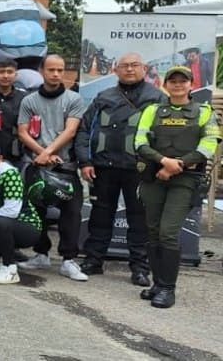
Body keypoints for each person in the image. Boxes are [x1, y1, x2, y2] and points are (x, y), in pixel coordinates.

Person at [133, 66, 221, 308]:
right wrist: (163, 162)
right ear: (165, 85)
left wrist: (177, 165)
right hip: (155, 176)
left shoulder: (203, 112)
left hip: (185, 179)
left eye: (183, 81)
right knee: (152, 232)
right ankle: (157, 284)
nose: (178, 85)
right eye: (173, 81)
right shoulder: (152, 110)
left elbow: (208, 145)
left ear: (190, 84)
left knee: (168, 232)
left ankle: (168, 289)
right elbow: (139, 140)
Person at [75, 52, 163, 286]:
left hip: (140, 169)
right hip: (103, 168)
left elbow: (164, 137)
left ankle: (140, 267)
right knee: (100, 215)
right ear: (116, 70)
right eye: (125, 66)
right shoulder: (103, 96)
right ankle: (93, 260)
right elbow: (84, 130)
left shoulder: (157, 98)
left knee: (139, 219)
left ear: (144, 68)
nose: (130, 69)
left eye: (135, 65)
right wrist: (85, 161)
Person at [16, 54, 88, 281]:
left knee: (72, 212)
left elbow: (70, 131)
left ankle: (68, 259)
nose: (56, 74)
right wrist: (41, 154)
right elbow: (22, 132)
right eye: (51, 70)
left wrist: (48, 152)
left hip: (65, 166)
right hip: (36, 166)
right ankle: (41, 253)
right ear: (42, 71)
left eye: (60, 69)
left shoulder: (74, 99)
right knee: (36, 212)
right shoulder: (29, 101)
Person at [0, 140, 42, 285]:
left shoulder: (10, 175)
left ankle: (10, 268)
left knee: (0, 221)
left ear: (0, 158)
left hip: (26, 226)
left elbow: (11, 212)